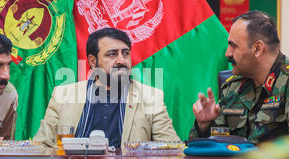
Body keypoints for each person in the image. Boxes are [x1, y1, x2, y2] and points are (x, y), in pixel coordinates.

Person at [190, 11, 289, 144]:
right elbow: (211, 147)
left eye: (233, 46)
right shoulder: (233, 86)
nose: (227, 53)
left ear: (257, 49)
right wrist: (204, 125)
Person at [34, 27, 180, 148]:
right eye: (112, 54)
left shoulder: (151, 97)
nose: (121, 60)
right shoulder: (62, 95)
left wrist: (202, 126)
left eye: (125, 53)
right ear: (93, 61)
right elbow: (40, 146)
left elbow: (172, 148)